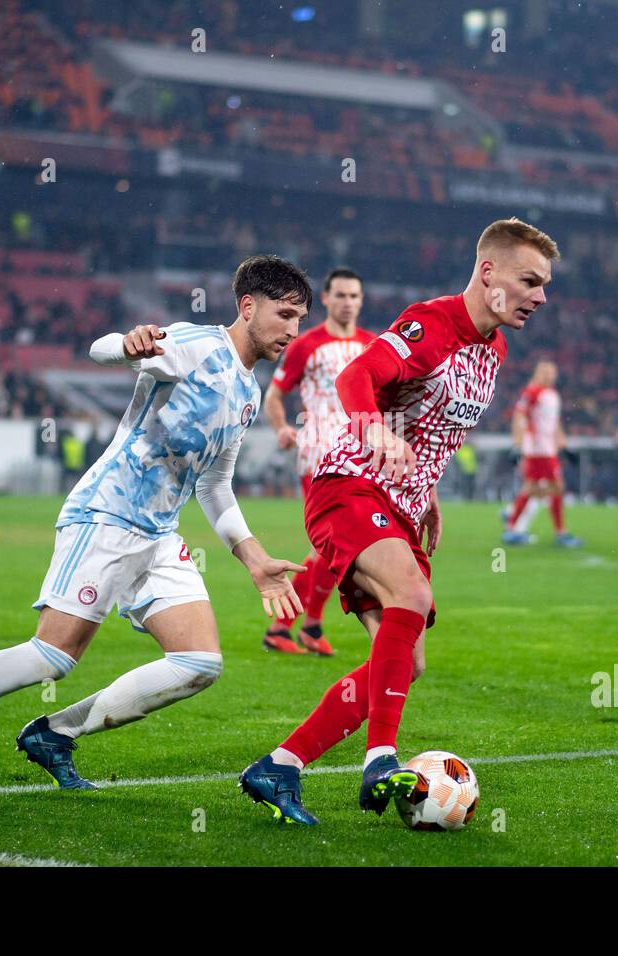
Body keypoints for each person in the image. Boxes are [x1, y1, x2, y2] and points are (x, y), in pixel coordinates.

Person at [0, 256, 311, 794]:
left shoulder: (245, 393)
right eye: (285, 314)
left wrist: (255, 558)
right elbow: (102, 349)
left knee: (198, 662)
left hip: (158, 534)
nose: (293, 329)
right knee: (52, 657)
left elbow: (213, 486)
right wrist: (127, 344)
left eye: (299, 318)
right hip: (106, 515)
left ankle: (54, 734)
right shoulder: (195, 346)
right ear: (248, 306)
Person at [238, 217, 560, 825]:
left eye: (543, 285)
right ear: (488, 273)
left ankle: (281, 765)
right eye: (530, 281)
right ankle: (380, 760)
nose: (540, 296)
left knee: (404, 662)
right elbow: (356, 376)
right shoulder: (430, 323)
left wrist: (426, 491)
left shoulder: (495, 348)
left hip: (402, 505)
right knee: (412, 592)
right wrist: (369, 427)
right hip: (351, 485)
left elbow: (434, 427)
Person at [260, 267, 376, 656]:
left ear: (361, 301)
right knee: (335, 545)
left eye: (354, 296)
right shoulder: (306, 344)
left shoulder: (373, 345)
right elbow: (274, 397)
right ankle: (300, 626)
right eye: (340, 295)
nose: (348, 303)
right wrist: (280, 429)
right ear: (325, 299)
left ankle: (292, 628)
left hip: (361, 456)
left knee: (334, 549)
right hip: (319, 453)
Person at [502, 360, 584, 547]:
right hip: (538, 449)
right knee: (555, 487)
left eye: (551, 372)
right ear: (538, 373)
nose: (549, 375)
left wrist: (564, 446)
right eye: (545, 372)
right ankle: (559, 532)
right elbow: (519, 416)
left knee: (534, 488)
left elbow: (554, 424)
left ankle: (512, 521)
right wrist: (518, 444)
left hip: (548, 449)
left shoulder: (552, 395)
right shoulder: (532, 392)